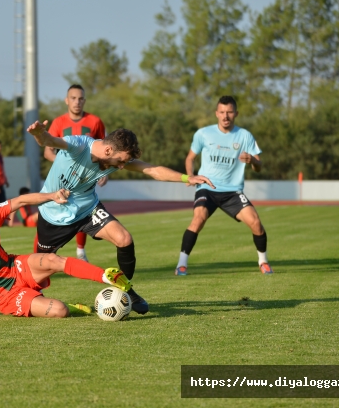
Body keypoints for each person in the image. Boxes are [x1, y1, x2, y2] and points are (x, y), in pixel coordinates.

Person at [27, 121, 215, 314]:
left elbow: (152, 170)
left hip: (86, 210)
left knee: (124, 239)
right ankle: (30, 298)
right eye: (121, 161)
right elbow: (49, 141)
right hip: (53, 216)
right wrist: (39, 133)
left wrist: (187, 178)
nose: (123, 166)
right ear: (108, 150)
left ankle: (126, 290)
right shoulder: (78, 145)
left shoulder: (114, 158)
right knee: (39, 271)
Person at [0, 190, 132, 320]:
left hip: (14, 266)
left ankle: (106, 276)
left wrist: (51, 196)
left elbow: (19, 201)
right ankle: (73, 307)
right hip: (2, 294)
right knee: (60, 310)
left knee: (52, 259)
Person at [175, 95, 273, 276]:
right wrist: (190, 176)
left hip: (233, 192)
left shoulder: (245, 136)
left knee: (256, 223)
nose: (225, 116)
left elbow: (258, 166)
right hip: (207, 188)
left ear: (236, 113)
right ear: (216, 113)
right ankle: (181, 265)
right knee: (198, 220)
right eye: (222, 112)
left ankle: (263, 262)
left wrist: (251, 159)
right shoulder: (203, 133)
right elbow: (190, 158)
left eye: (229, 112)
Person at [43, 84, 107, 262]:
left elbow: (107, 151)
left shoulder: (95, 122)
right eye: (73, 98)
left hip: (85, 177)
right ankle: (43, 257)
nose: (77, 102)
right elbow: (48, 151)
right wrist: (63, 165)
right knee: (49, 213)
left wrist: (104, 172)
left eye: (80, 98)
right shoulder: (58, 123)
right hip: (62, 179)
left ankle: (80, 251)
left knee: (82, 209)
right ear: (66, 100)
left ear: (85, 101)